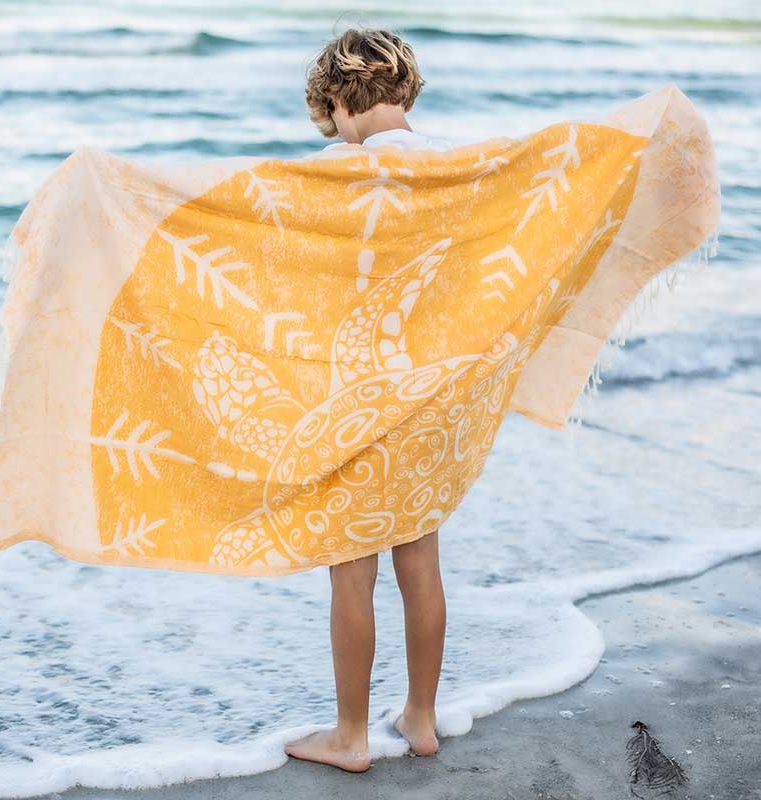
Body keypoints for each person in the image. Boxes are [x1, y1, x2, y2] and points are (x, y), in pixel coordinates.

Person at [283, 27, 451, 774]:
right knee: (420, 558)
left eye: (331, 121)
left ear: (338, 103)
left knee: (352, 567)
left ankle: (350, 736)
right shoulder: (456, 167)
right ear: (404, 91)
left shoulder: (332, 173)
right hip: (432, 388)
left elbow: (280, 268)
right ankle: (420, 718)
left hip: (353, 390)